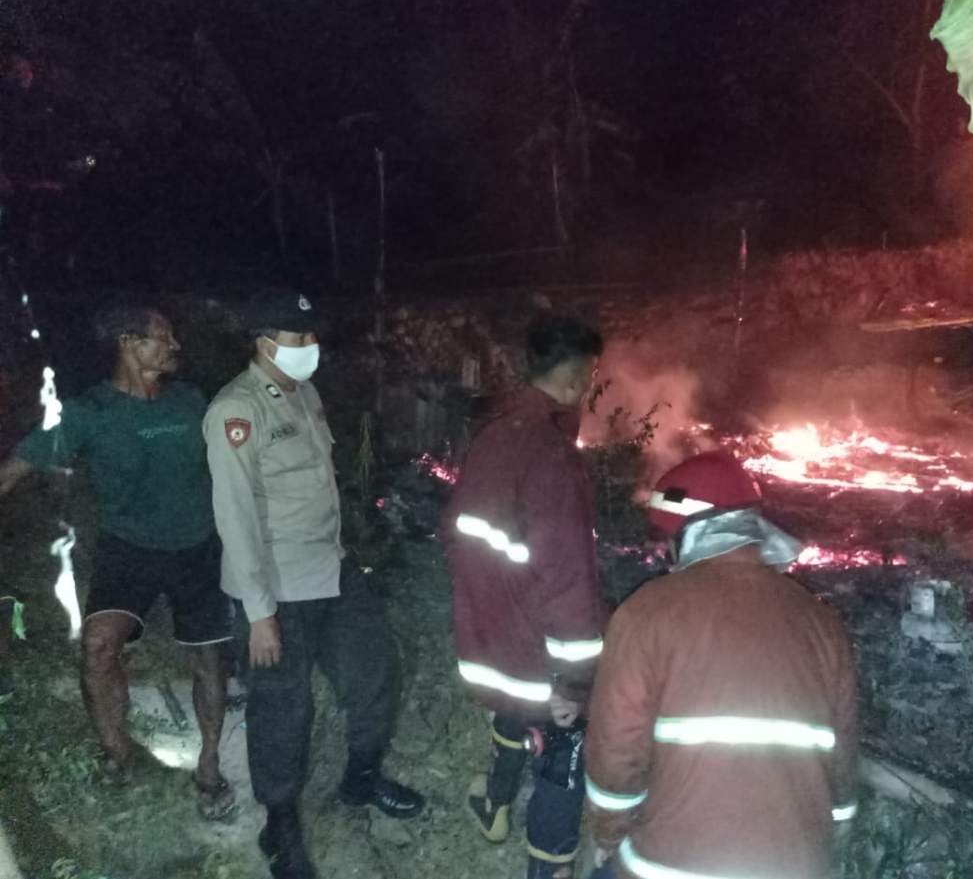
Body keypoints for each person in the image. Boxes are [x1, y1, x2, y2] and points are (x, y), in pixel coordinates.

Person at [204, 289, 423, 879]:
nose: (310, 347)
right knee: (283, 708)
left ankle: (361, 779)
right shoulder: (236, 411)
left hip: (332, 570)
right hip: (275, 588)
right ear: (263, 341)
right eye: (297, 338)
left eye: (311, 336)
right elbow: (236, 517)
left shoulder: (307, 394)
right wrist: (258, 612)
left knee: (375, 670)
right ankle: (280, 825)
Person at [0, 302, 234, 819]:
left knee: (209, 659)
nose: (175, 346)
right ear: (129, 342)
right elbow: (17, 466)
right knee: (98, 648)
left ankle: (211, 765)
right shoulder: (90, 412)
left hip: (197, 548)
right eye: (162, 337)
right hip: (128, 550)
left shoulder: (191, 403)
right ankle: (117, 755)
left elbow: (239, 457)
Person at [584, 452, 859, 879]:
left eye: (667, 539)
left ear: (690, 533)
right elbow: (841, 767)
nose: (665, 552)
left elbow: (616, 756)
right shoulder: (822, 622)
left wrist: (608, 834)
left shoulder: (646, 613)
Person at [442, 313, 607, 879]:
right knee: (566, 749)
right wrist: (576, 679)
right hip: (535, 644)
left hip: (492, 631)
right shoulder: (552, 456)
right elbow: (568, 580)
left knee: (513, 712)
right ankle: (548, 867)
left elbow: (467, 540)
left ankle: (493, 806)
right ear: (577, 378)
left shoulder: (495, 433)